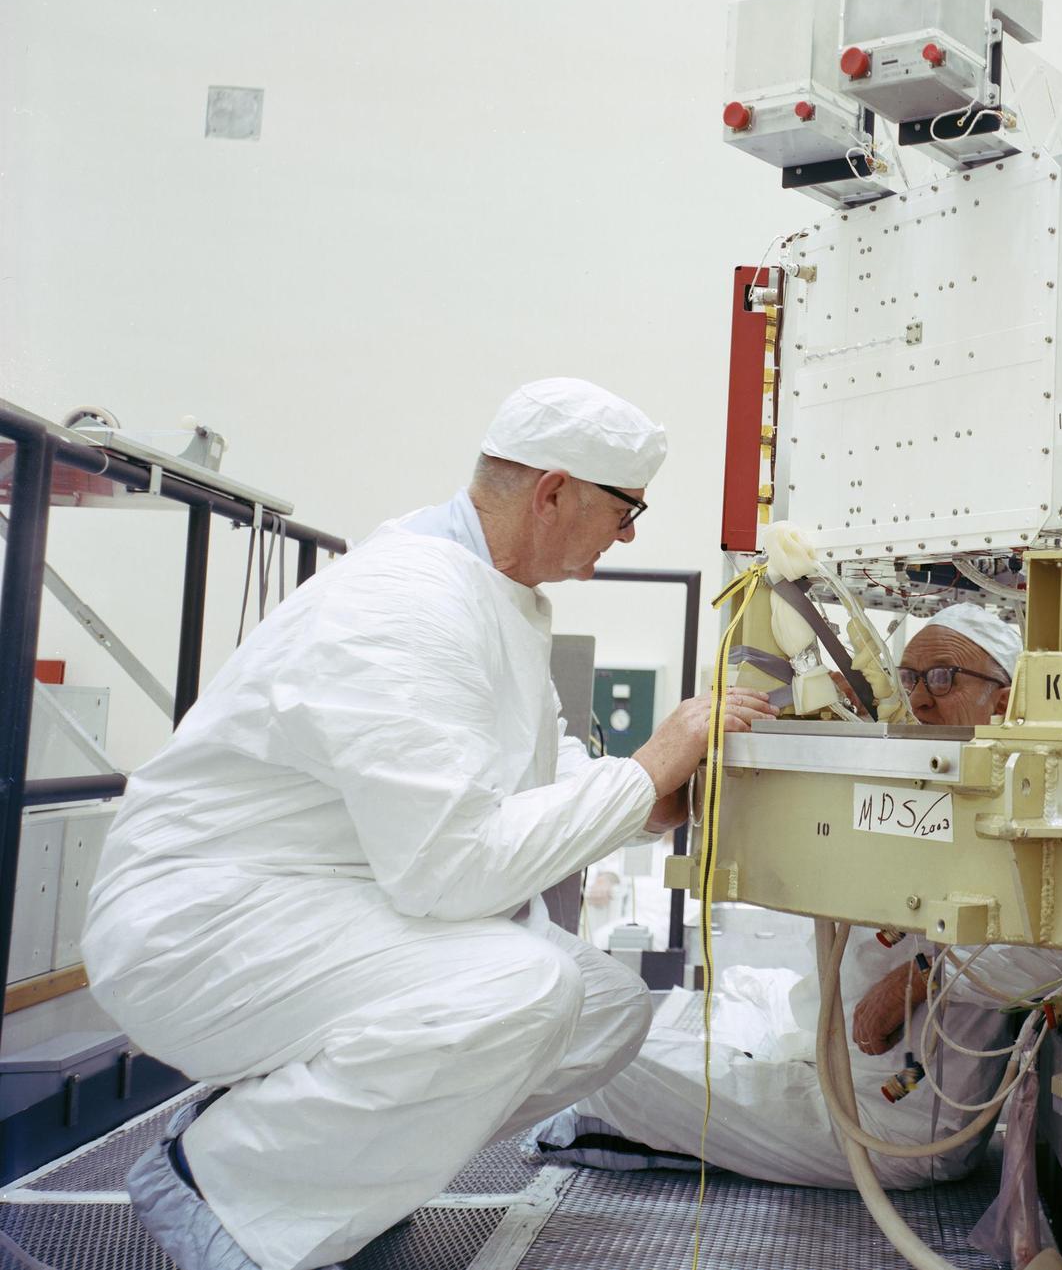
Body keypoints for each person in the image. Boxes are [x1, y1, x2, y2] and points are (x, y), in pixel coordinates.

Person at [81, 378, 775, 1270]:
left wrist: (656, 797)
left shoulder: (488, 591)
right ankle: (217, 1184)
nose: (629, 534)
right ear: (554, 491)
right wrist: (647, 766)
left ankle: (317, 1179)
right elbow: (451, 871)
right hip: (203, 924)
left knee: (604, 1009)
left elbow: (538, 766)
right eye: (625, 509)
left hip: (327, 904)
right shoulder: (405, 603)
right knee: (525, 987)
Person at [531, 602, 1062, 1189]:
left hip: (890, 1126)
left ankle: (576, 1125)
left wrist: (924, 976)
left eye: (943, 678)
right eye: (909, 678)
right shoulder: (924, 782)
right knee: (739, 991)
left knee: (605, 1062)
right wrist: (814, 716)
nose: (918, 698)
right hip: (831, 1053)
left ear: (1003, 700)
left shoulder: (1034, 812)